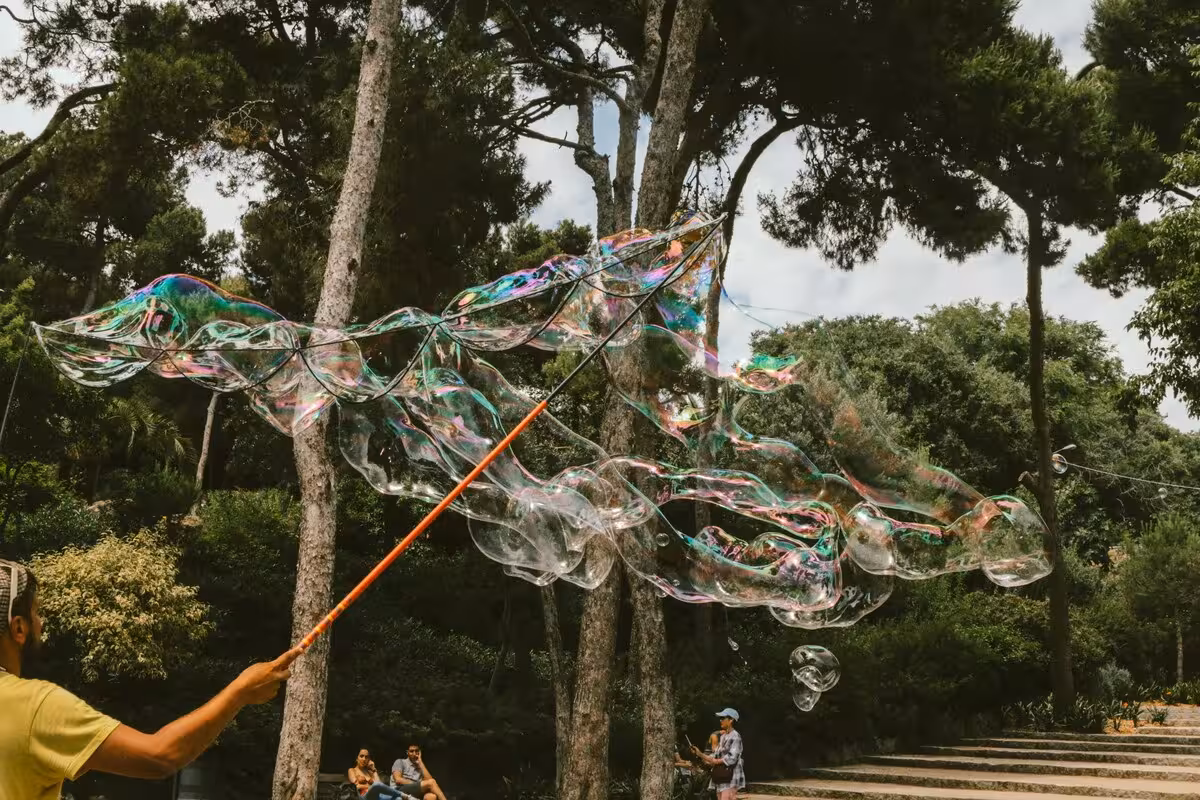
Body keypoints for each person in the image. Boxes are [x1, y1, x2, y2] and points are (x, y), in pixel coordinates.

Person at [0, 559, 300, 800]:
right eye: (36, 613)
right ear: (19, 629)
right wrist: (240, 692)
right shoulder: (35, 706)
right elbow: (160, 756)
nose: (41, 622)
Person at [690, 707, 744, 800]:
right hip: (721, 776)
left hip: (730, 776)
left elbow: (731, 758)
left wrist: (715, 761)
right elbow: (715, 755)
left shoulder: (736, 737)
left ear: (731, 720)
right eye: (720, 718)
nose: (720, 720)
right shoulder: (723, 737)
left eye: (723, 718)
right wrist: (699, 754)